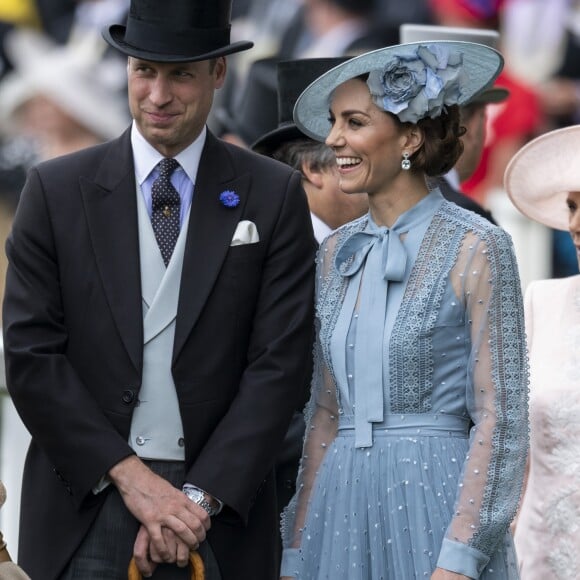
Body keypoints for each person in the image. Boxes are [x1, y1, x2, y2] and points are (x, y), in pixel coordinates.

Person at [2, 1, 317, 579]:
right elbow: (30, 357)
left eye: (181, 74)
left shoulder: (272, 195)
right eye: (144, 70)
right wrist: (132, 477)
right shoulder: (55, 190)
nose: (158, 95)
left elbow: (281, 365)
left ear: (218, 74)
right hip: (86, 500)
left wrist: (197, 500)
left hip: (220, 514)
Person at [280, 40, 529, 580]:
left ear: (410, 137)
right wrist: (298, 550)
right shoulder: (333, 253)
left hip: (437, 507)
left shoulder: (478, 245)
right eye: (332, 122)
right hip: (339, 513)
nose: (333, 140)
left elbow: (500, 416)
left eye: (354, 122)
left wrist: (462, 555)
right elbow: (323, 413)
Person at [504, 124, 580, 579]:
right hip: (538, 556)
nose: (574, 224)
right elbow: (513, 444)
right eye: (572, 207)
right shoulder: (540, 300)